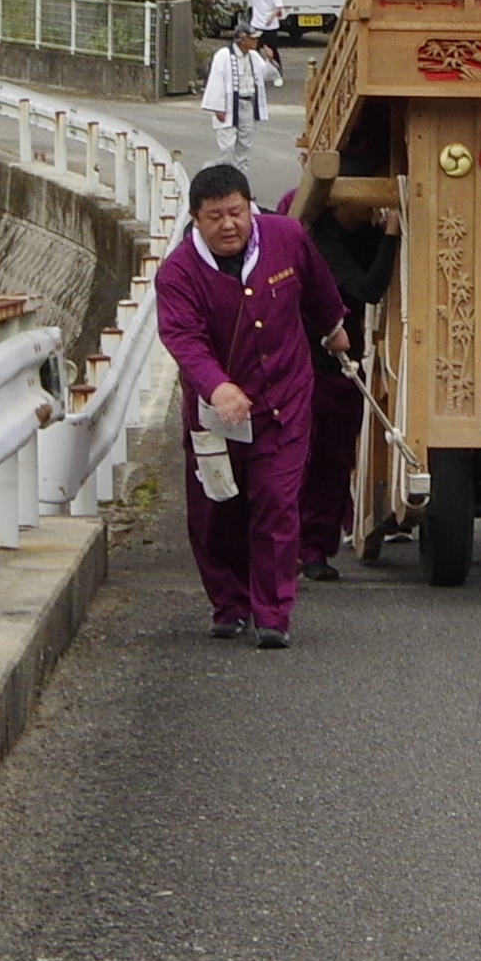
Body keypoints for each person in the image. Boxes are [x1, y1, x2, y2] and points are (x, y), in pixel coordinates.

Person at [152, 160, 326, 645]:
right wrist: (217, 385)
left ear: (250, 208)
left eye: (236, 212)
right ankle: (229, 602)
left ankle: (273, 614)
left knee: (276, 501)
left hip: (284, 402)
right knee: (217, 510)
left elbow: (317, 291)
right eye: (215, 216)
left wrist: (334, 328)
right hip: (216, 416)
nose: (228, 224)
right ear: (195, 219)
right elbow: (182, 339)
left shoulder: (286, 237)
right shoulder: (177, 274)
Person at [295, 181, 398, 573]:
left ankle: (319, 543)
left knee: (336, 460)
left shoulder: (361, 233)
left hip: (347, 366)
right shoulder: (322, 243)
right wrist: (391, 235)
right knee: (314, 460)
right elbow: (369, 289)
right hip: (313, 364)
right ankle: (304, 547)